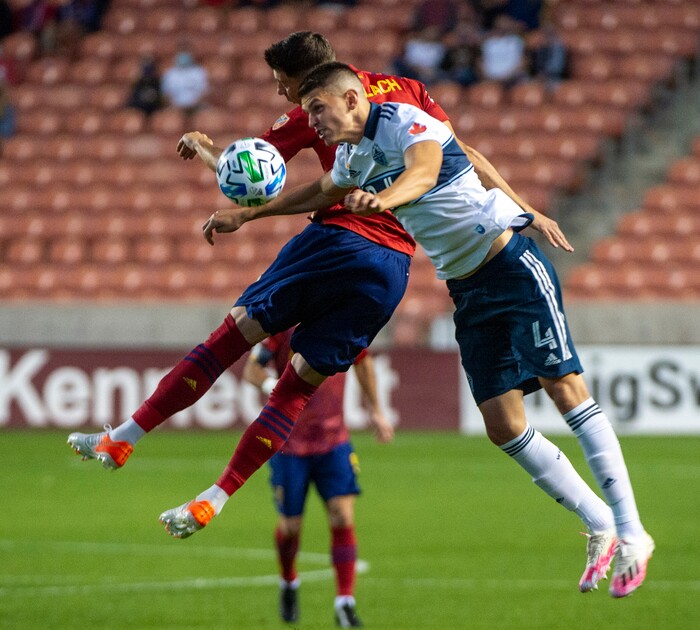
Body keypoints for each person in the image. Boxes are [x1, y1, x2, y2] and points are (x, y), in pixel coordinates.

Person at [66, 30, 566, 598]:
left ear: (304, 82)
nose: (284, 96)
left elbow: (253, 177)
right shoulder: (405, 91)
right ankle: (217, 495)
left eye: (283, 85)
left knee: (233, 335)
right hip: (392, 271)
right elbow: (465, 156)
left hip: (339, 239)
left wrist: (210, 159)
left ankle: (124, 437)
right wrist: (525, 207)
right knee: (296, 389)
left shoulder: (314, 111)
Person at [205, 61, 655, 599]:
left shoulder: (403, 120)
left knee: (565, 388)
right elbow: (316, 194)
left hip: (510, 264)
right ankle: (599, 521)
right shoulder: (353, 156)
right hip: (467, 289)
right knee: (503, 426)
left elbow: (423, 170)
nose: (313, 124)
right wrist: (245, 215)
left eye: (317, 110)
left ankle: (632, 531)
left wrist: (384, 199)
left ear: (350, 100)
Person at [243, 330, 393, 626]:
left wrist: (376, 409)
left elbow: (364, 362)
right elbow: (252, 369)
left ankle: (345, 602)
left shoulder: (344, 322)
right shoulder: (282, 329)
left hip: (333, 441)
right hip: (289, 443)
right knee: (289, 527)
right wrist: (275, 384)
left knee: (341, 516)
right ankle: (289, 581)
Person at [161, 41, 209, 130]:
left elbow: (203, 92)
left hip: (195, 108)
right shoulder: (169, 74)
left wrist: (193, 105)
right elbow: (166, 94)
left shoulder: (199, 72)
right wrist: (176, 107)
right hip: (175, 108)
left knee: (207, 119)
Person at [127, 55, 163, 120]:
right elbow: (133, 100)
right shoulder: (138, 83)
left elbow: (160, 99)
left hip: (154, 109)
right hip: (140, 109)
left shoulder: (157, 82)